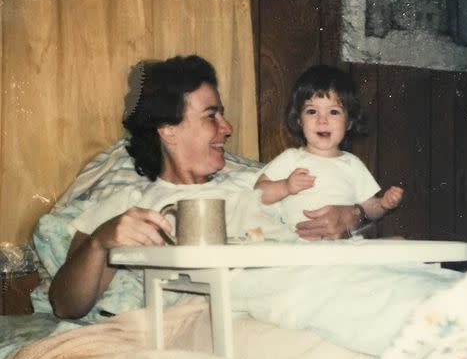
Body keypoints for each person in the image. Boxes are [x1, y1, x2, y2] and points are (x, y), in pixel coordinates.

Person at [49, 56, 367, 320]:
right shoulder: (131, 205)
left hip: (316, 288)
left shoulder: (259, 183)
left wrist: (352, 216)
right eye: (211, 116)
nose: (227, 128)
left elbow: (346, 206)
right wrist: (100, 242)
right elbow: (66, 305)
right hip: (237, 318)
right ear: (168, 129)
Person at [254, 64, 404, 232]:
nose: (322, 120)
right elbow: (258, 193)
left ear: (349, 123)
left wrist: (383, 204)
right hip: (297, 246)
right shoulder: (291, 158)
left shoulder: (352, 164)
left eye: (333, 112)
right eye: (312, 111)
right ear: (299, 120)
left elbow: (370, 209)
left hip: (343, 248)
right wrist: (286, 186)